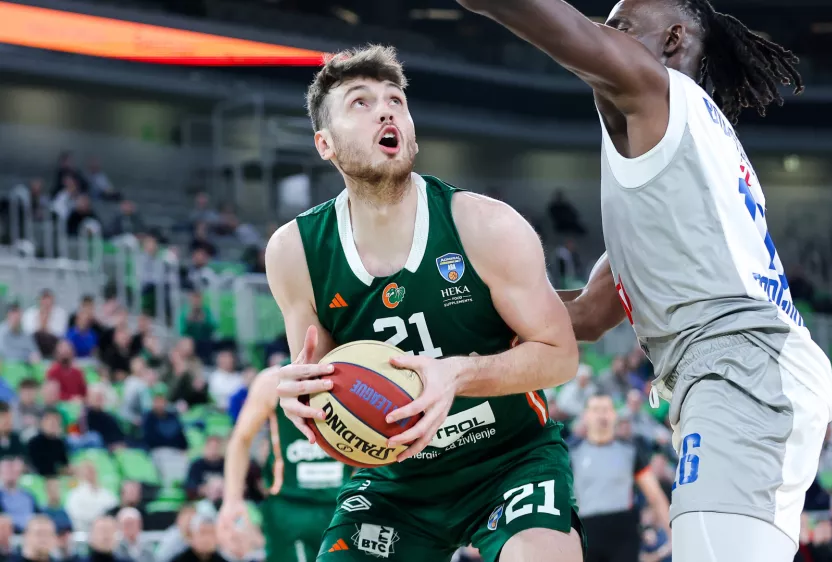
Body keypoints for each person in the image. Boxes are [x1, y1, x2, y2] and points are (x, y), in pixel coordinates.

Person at [453, 0, 832, 560]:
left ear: (673, 41)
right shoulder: (673, 170)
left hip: (741, 366)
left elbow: (554, 24)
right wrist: (460, 311)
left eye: (620, 28)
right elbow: (585, 314)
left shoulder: (660, 93)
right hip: (740, 372)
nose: (604, 39)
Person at [267, 46, 583, 562]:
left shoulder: (485, 225)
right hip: (396, 481)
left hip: (509, 459)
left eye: (396, 100)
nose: (387, 110)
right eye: (361, 103)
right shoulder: (294, 252)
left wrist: (455, 375)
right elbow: (321, 376)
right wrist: (301, 398)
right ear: (324, 144)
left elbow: (560, 354)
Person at [218, 366, 345, 561]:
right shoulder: (272, 381)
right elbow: (241, 438)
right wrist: (232, 500)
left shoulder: (357, 375)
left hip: (343, 507)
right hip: (289, 508)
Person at [572, 394, 671, 562]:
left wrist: (672, 534)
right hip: (587, 531)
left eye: (606, 410)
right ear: (586, 416)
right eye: (596, 410)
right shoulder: (572, 454)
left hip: (624, 531)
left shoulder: (630, 452)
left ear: (614, 415)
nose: (601, 415)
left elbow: (655, 495)